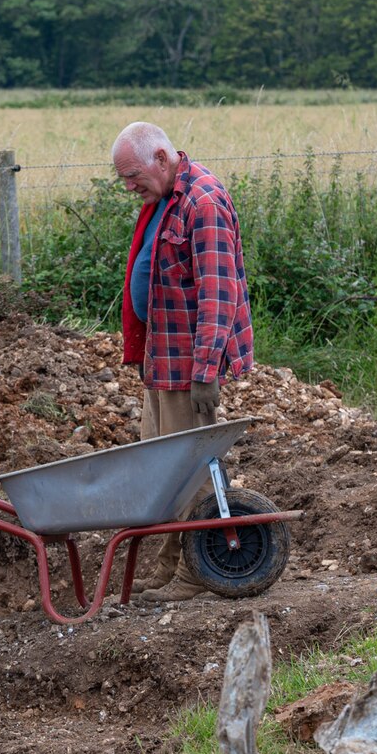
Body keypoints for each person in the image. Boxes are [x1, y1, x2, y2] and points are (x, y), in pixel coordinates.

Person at [112, 121, 254, 601]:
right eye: (123, 179)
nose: (129, 187)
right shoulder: (164, 198)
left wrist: (206, 372)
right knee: (164, 468)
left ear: (160, 157)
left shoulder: (203, 202)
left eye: (133, 175)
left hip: (188, 367)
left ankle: (197, 572)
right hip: (162, 357)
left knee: (190, 470)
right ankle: (169, 562)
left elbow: (219, 295)